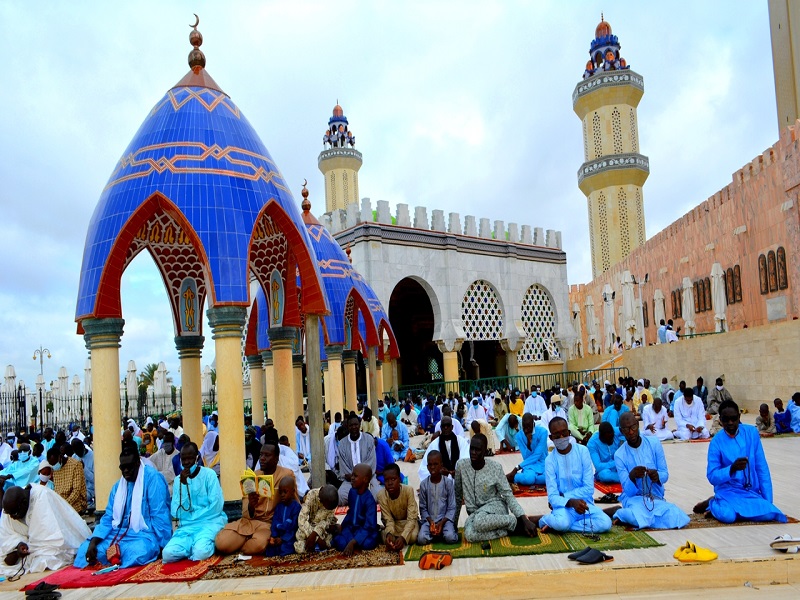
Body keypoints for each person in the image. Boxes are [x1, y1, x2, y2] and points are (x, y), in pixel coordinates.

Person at [74, 447, 172, 568]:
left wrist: (163, 546)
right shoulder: (118, 487)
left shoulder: (153, 479)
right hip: (117, 534)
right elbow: (108, 517)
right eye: (122, 468)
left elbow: (160, 515)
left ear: (138, 463)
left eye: (129, 467)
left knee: (139, 552)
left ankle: (116, 560)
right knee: (84, 550)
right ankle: (114, 560)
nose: (126, 471)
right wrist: (94, 541)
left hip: (143, 535)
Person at [693, 400, 786, 525]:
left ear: (739, 417)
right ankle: (713, 503)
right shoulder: (716, 442)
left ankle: (732, 509)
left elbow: (762, 468)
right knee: (728, 517)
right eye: (726, 420)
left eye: (733, 419)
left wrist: (767, 501)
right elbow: (712, 476)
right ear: (720, 420)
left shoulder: (751, 433)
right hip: (728, 492)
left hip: (749, 491)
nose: (730, 423)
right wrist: (731, 469)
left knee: (770, 513)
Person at [215, 439, 295, 555]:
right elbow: (245, 511)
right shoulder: (254, 475)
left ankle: (242, 543)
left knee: (256, 546)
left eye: (267, 455)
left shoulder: (286, 475)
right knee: (221, 543)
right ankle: (243, 541)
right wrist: (251, 505)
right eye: (261, 454)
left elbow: (294, 502)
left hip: (269, 525)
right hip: (249, 522)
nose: (262, 458)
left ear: (277, 458)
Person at [454, 434, 537, 542]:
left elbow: (508, 495)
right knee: (469, 535)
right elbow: (458, 496)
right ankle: (511, 530)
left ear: (485, 451)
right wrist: (453, 523)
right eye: (472, 449)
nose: (473, 452)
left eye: (478, 450)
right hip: (475, 514)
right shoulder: (461, 466)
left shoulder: (495, 468)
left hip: (496, 507)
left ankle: (513, 522)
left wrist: (522, 517)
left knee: (479, 522)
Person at [613, 413, 689, 530]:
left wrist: (657, 476)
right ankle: (622, 513)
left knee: (678, 516)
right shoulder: (619, 455)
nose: (631, 432)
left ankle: (639, 520)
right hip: (635, 500)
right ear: (621, 431)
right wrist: (632, 476)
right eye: (626, 429)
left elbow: (665, 474)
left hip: (655, 498)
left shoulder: (654, 443)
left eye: (633, 427)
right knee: (634, 515)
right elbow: (628, 491)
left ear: (638, 425)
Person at [539, 417, 612, 534]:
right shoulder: (550, 460)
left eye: (564, 433)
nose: (562, 437)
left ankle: (558, 525)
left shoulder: (583, 451)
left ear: (569, 433)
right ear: (551, 438)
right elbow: (552, 497)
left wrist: (565, 496)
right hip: (563, 508)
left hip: (585, 504)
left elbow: (589, 489)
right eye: (557, 435)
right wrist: (570, 502)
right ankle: (544, 520)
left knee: (605, 523)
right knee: (561, 523)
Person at [0, 484, 92, 577]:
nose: (12, 517)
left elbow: (52, 539)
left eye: (14, 514)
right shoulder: (10, 509)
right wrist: (18, 545)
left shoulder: (42, 497)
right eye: (9, 514)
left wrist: (28, 548)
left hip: (56, 545)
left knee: (47, 561)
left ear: (24, 503)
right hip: (31, 548)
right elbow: (6, 538)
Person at [163, 442, 227, 563]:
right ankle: (190, 546)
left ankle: (196, 546)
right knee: (167, 554)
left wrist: (194, 516)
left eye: (190, 458)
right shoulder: (178, 481)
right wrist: (183, 484)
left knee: (201, 553)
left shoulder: (209, 475)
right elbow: (176, 512)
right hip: (186, 527)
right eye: (183, 459)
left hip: (209, 523)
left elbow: (216, 506)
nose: (186, 462)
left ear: (197, 457)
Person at [332, 463, 379, 556]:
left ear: (365, 479)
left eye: (355, 476)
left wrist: (353, 541)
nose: (352, 478)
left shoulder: (369, 500)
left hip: (364, 531)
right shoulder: (352, 492)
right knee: (341, 543)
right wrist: (342, 526)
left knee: (368, 543)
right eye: (352, 475)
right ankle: (353, 543)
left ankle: (353, 543)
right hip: (351, 528)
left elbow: (369, 526)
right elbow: (350, 513)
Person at [336, 415, 379, 505]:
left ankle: (357, 499)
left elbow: (371, 462)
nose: (354, 427)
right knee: (340, 496)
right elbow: (344, 467)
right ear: (348, 427)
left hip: (368, 479)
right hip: (350, 481)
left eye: (356, 424)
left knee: (378, 495)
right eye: (351, 425)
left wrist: (361, 477)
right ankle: (361, 499)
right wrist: (354, 478)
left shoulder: (369, 439)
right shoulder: (342, 444)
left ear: (360, 425)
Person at [417, 450, 459, 544]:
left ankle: (446, 532)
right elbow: (423, 508)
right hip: (429, 521)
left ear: (441, 465)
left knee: (450, 537)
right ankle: (438, 535)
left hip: (445, 520)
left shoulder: (448, 483)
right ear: (427, 466)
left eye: (436, 464)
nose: (433, 467)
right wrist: (431, 522)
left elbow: (452, 507)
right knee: (421, 539)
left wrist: (442, 523)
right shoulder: (424, 484)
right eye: (430, 464)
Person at [378, 463, 419, 550]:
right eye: (386, 480)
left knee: (413, 537)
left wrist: (403, 538)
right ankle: (384, 532)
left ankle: (398, 537)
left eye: (393, 479)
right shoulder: (381, 495)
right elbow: (388, 520)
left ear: (399, 479)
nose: (390, 483)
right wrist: (389, 534)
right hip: (394, 525)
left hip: (408, 522)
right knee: (387, 538)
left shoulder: (408, 490)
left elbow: (412, 518)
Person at [418, 416, 470, 481]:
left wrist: (457, 471)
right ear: (440, 428)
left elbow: (466, 461)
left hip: (458, 478)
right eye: (443, 426)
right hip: (440, 480)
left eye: (448, 425)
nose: (446, 428)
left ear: (452, 427)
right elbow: (424, 468)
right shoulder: (435, 443)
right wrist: (438, 471)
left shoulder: (461, 441)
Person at [294, 484, 339, 554]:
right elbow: (302, 519)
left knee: (330, 541)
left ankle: (317, 547)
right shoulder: (311, 495)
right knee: (300, 548)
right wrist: (315, 538)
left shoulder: (331, 503)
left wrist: (315, 534)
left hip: (321, 529)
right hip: (307, 528)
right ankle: (316, 546)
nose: (331, 510)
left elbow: (326, 522)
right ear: (322, 502)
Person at [507, 414, 548, 486]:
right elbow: (526, 457)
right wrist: (528, 444)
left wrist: (517, 467)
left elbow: (537, 455)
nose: (526, 430)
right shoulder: (519, 436)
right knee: (528, 479)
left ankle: (531, 478)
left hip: (543, 463)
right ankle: (515, 477)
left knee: (548, 478)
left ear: (533, 424)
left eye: (528, 427)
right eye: (524, 427)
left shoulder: (543, 432)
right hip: (530, 465)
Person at [266, 476, 302, 557]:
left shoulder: (296, 507)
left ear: (293, 491)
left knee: (286, 548)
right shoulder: (279, 507)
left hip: (289, 538)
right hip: (279, 537)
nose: (282, 495)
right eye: (280, 492)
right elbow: (275, 522)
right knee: (269, 550)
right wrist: (274, 537)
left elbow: (294, 527)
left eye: (285, 492)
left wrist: (283, 539)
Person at [46, 446, 87, 514]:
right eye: (51, 464)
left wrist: (63, 505)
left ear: (60, 457)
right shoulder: (55, 469)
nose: (53, 466)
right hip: (60, 502)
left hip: (75, 502)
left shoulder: (75, 465)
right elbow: (57, 489)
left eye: (54, 463)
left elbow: (76, 491)